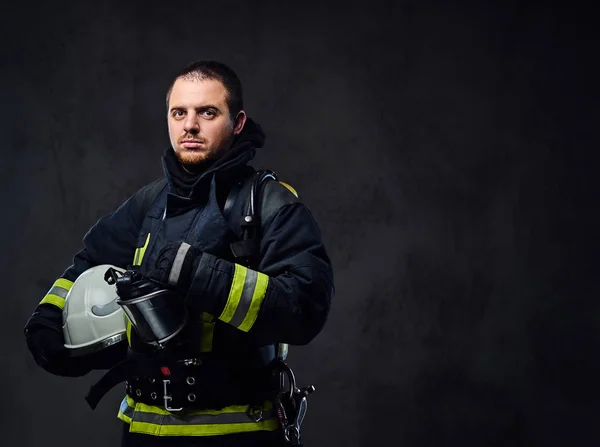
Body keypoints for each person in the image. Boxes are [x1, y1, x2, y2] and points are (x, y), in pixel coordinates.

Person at [24, 60, 334, 446]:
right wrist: (49, 318)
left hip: (240, 434)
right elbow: (90, 264)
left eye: (207, 112)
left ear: (237, 123)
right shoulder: (150, 203)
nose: (190, 125)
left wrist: (197, 273)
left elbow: (306, 307)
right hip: (144, 432)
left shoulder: (270, 204)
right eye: (179, 113)